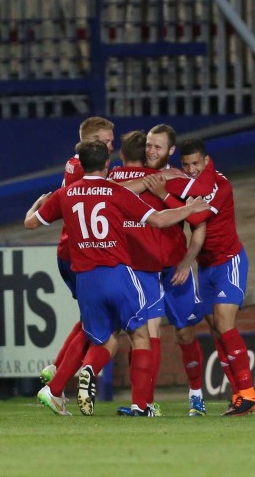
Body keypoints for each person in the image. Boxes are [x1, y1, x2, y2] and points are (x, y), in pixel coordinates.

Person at [25, 140, 210, 416]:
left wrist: (35, 206)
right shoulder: (114, 191)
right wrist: (189, 209)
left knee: (103, 338)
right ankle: (141, 406)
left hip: (85, 280)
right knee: (140, 334)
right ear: (108, 164)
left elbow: (31, 223)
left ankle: (56, 390)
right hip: (116, 273)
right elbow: (159, 220)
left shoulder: (65, 194)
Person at [146, 138, 254, 415]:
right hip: (205, 267)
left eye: (196, 163)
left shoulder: (219, 185)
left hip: (228, 261)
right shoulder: (189, 184)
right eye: (186, 164)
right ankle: (239, 395)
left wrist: (163, 196)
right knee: (217, 330)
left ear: (206, 161)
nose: (191, 168)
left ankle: (249, 393)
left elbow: (196, 218)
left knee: (224, 324)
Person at [109, 129, 209, 417]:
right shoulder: (126, 177)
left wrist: (188, 260)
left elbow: (199, 220)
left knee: (185, 333)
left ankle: (196, 395)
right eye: (149, 146)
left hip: (175, 267)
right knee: (142, 334)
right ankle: (145, 402)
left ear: (170, 151)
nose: (151, 151)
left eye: (158, 147)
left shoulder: (178, 179)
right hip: (142, 269)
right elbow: (115, 195)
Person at [39, 117, 115, 387]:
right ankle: (57, 383)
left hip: (73, 252)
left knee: (89, 319)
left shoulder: (75, 164)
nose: (111, 146)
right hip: (78, 255)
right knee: (97, 325)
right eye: (106, 141)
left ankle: (56, 369)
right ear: (92, 143)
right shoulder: (83, 168)